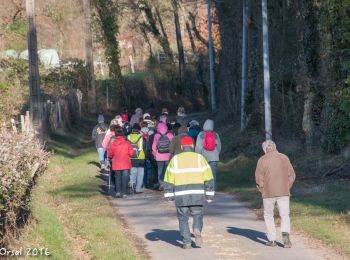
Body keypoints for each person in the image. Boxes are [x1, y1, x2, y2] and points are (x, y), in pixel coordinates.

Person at [164, 136, 214, 249]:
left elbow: (168, 179)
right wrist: (209, 195)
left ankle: (186, 242)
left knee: (183, 218)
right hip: (197, 194)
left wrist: (169, 196)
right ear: (193, 146)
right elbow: (209, 177)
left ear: (182, 147)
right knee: (198, 215)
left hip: (181, 195)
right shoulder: (200, 158)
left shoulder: (175, 160)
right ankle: (196, 228)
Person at [255, 140, 296, 248]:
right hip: (283, 191)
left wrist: (261, 189)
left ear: (264, 149)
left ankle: (272, 239)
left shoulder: (262, 160)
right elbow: (292, 175)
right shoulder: (284, 157)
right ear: (275, 147)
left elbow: (259, 178)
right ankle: (286, 236)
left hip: (268, 193)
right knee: (285, 215)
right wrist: (287, 186)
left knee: (269, 215)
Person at [108, 126, 134, 198]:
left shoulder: (113, 144)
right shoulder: (127, 143)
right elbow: (131, 153)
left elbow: (110, 154)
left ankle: (118, 192)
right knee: (125, 178)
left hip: (116, 164)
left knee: (117, 178)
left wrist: (111, 158)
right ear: (123, 135)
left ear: (116, 135)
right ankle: (124, 193)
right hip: (126, 163)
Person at [195, 119, 221, 187]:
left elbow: (198, 147)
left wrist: (198, 156)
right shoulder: (216, 135)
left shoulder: (200, 134)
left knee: (204, 173)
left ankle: (205, 188)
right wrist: (217, 154)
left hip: (204, 157)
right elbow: (219, 146)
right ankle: (212, 189)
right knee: (213, 175)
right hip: (214, 158)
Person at [152, 122, 174, 190]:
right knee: (167, 170)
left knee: (160, 171)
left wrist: (155, 154)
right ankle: (168, 183)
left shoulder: (156, 135)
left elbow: (154, 146)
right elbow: (173, 146)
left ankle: (161, 184)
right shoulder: (170, 135)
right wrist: (172, 154)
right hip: (168, 156)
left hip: (159, 156)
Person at [128, 124, 147, 193]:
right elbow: (145, 148)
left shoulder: (128, 137)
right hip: (141, 157)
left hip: (131, 157)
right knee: (140, 174)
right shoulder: (142, 137)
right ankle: (138, 189)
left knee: (133, 172)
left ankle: (132, 183)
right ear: (139, 130)